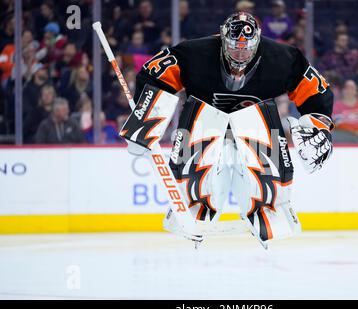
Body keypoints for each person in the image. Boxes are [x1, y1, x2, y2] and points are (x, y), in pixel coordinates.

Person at [133, 12, 334, 245]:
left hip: (257, 126)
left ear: (257, 41)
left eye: (246, 48)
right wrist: (145, 115)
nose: (240, 54)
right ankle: (194, 205)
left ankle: (268, 208)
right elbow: (154, 74)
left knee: (263, 122)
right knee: (198, 118)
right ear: (222, 39)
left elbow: (316, 91)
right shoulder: (194, 53)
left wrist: (319, 125)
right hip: (203, 122)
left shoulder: (282, 58)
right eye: (234, 47)